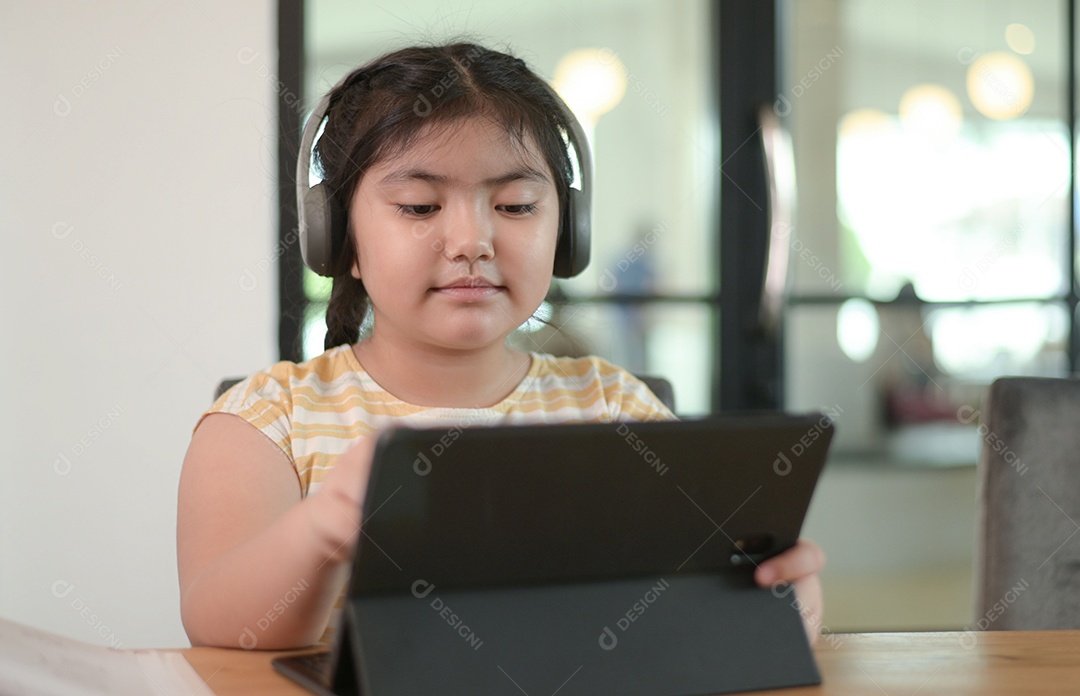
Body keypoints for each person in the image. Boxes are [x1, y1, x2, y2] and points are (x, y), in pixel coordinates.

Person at [176, 42, 825, 651]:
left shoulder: (617, 413)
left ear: (566, 233)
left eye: (515, 206)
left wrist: (770, 603)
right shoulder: (267, 421)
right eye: (419, 206)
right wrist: (322, 528)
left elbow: (686, 622)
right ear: (338, 237)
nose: (472, 242)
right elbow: (220, 628)